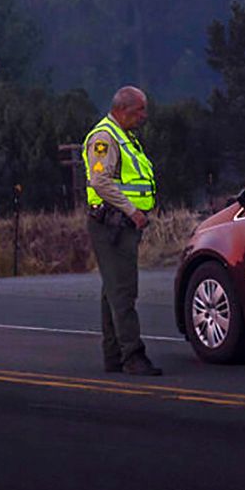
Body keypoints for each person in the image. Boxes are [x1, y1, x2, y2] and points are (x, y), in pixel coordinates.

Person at [84, 85, 161, 376]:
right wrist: (132, 211)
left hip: (122, 225)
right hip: (112, 225)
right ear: (121, 109)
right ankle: (133, 355)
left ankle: (114, 355)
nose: (143, 115)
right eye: (139, 110)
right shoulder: (104, 138)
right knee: (124, 291)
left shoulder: (124, 137)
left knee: (112, 291)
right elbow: (100, 181)